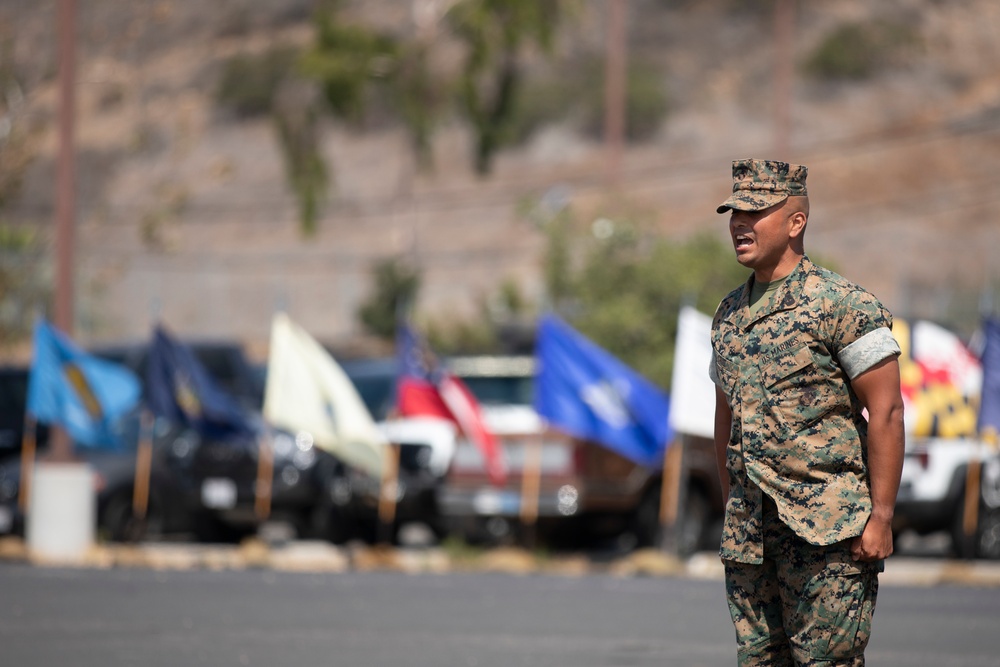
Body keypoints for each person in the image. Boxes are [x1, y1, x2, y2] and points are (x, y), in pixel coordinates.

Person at [709, 158, 905, 667]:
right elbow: (725, 419)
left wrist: (881, 516)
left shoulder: (844, 305)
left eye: (755, 212)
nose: (738, 224)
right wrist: (733, 507)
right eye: (734, 213)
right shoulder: (729, 315)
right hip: (751, 538)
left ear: (796, 222)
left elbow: (886, 413)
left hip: (828, 535)